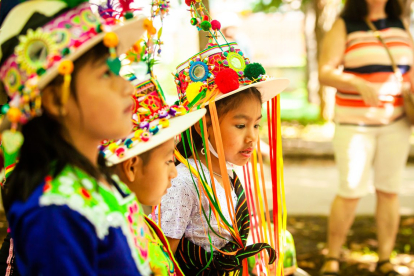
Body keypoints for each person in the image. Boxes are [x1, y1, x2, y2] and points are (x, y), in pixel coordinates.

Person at [0, 0, 153, 274]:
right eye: (106, 74)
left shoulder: (94, 178)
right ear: (56, 100)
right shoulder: (53, 212)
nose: (128, 87)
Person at [152, 12, 289, 272]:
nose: (252, 136)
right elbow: (162, 261)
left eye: (256, 125)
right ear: (205, 124)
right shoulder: (183, 182)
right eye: (240, 125)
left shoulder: (228, 174)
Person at [318, 0, 413, 275]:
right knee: (350, 190)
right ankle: (332, 257)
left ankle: (385, 259)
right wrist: (357, 82)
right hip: (354, 124)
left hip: (396, 123)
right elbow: (325, 71)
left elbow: (409, 68)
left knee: (389, 190)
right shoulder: (345, 24)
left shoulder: (400, 23)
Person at [100, 73, 207, 275]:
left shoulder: (138, 219)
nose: (174, 173)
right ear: (132, 167)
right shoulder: (113, 233)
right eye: (168, 161)